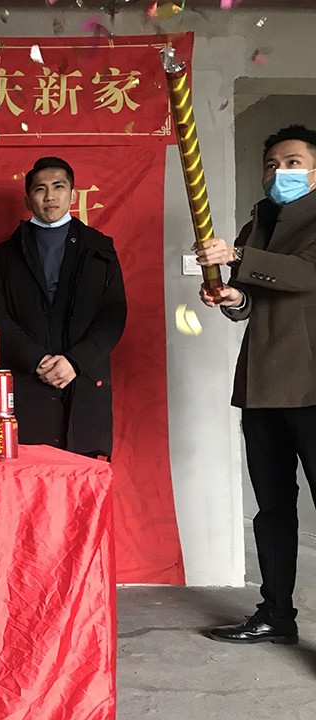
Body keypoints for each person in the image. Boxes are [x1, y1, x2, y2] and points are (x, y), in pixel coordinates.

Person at [197, 124, 316, 646]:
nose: (279, 173)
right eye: (271, 165)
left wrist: (238, 257)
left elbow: (305, 274)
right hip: (263, 385)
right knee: (272, 509)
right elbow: (250, 300)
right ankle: (275, 614)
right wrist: (233, 299)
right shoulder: (259, 220)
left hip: (311, 384)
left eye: (292, 163)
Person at [0, 156, 126, 458]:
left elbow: (113, 314)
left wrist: (75, 362)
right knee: (23, 478)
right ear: (27, 199)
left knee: (82, 479)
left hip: (83, 382)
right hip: (25, 383)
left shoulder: (99, 248)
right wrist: (36, 359)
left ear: (72, 194)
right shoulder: (6, 253)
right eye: (40, 189)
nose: (50, 196)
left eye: (58, 186)